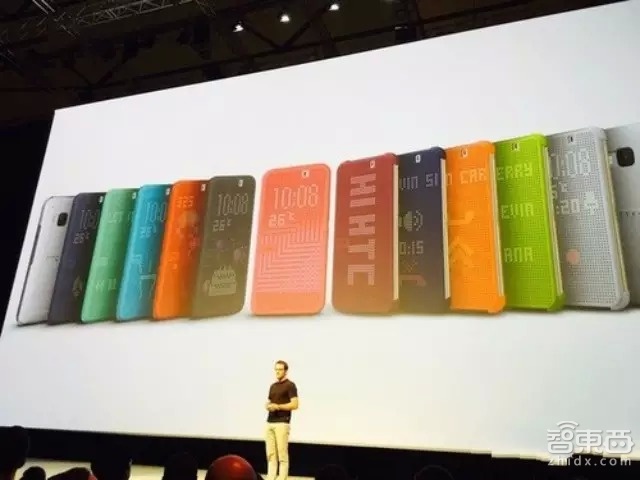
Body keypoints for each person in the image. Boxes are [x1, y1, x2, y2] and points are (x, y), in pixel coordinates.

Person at [264, 360, 298, 480]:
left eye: (280, 369)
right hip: (270, 422)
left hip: (282, 422)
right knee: (271, 455)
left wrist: (278, 406)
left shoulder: (290, 385)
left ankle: (282, 478)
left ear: (285, 371)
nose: (277, 372)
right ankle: (271, 477)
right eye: (276, 369)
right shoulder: (273, 386)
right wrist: (268, 405)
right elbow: (270, 401)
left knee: (282, 455)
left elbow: (295, 404)